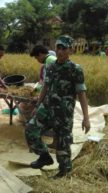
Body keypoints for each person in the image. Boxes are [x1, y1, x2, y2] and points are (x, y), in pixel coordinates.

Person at [25, 35, 90, 179]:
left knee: (62, 143)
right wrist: (38, 104)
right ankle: (44, 156)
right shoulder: (51, 66)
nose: (60, 52)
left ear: (70, 50)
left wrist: (86, 118)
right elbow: (46, 86)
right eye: (58, 48)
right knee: (30, 128)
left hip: (63, 113)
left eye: (63, 48)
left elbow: (81, 93)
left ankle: (64, 171)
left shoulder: (75, 69)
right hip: (47, 107)